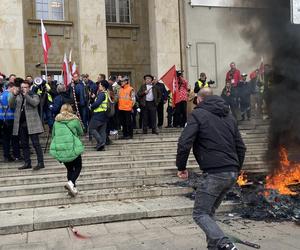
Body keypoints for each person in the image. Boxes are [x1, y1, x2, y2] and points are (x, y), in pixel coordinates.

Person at [176, 87, 246, 250]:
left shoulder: (197, 114)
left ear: (199, 100)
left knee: (200, 213)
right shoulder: (229, 116)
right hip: (231, 172)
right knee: (208, 213)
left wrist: (181, 167)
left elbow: (184, 142)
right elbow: (241, 147)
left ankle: (225, 243)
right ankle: (214, 247)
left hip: (215, 172)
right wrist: (236, 168)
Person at [9, 79, 45, 170]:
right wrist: (13, 95)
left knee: (36, 144)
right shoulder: (18, 96)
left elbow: (35, 103)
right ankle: (27, 162)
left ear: (29, 88)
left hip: (32, 124)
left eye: (25, 87)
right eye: (22, 87)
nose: (23, 89)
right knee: (24, 145)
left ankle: (40, 162)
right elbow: (11, 106)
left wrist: (26, 96)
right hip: (21, 125)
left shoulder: (34, 95)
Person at [49, 104, 84, 197]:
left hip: (61, 149)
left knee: (69, 169)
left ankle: (72, 188)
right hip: (72, 148)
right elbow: (81, 132)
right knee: (78, 167)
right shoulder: (75, 120)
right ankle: (71, 183)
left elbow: (53, 136)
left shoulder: (57, 122)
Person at [0, 82, 21, 162]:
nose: (15, 90)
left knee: (5, 139)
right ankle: (16, 155)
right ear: (11, 87)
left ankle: (6, 156)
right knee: (14, 138)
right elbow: (12, 107)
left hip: (2, 119)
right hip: (10, 119)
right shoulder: (9, 95)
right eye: (15, 88)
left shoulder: (1, 95)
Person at [89, 80, 109, 151]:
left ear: (103, 87)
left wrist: (91, 106)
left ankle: (100, 142)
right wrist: (94, 97)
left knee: (91, 128)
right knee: (102, 131)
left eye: (100, 85)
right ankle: (101, 146)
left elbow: (97, 103)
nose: (98, 86)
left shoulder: (102, 94)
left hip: (98, 114)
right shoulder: (106, 93)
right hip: (104, 114)